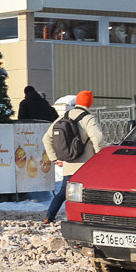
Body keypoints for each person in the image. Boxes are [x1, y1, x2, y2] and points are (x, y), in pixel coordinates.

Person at [42, 89, 106, 224]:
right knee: (89, 192)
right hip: (87, 164)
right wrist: (100, 156)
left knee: (63, 192)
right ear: (90, 103)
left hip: (69, 163)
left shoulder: (63, 117)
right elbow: (98, 138)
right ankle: (88, 218)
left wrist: (54, 158)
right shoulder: (88, 118)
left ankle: (49, 216)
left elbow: (46, 138)